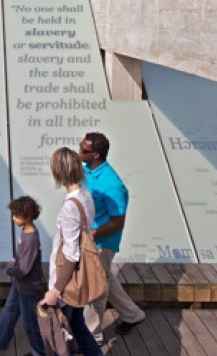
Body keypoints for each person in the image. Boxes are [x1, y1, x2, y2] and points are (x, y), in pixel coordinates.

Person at [79, 132, 145, 344]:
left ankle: (93, 337)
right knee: (105, 278)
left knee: (95, 289)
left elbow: (118, 222)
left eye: (83, 150)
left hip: (101, 242)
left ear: (96, 154)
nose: (79, 152)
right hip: (91, 238)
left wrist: (91, 236)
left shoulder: (112, 184)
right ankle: (133, 315)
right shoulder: (88, 169)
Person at [39, 147, 103, 356]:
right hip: (78, 277)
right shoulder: (85, 195)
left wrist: (55, 291)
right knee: (78, 326)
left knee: (60, 336)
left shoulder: (70, 206)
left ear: (58, 173)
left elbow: (71, 254)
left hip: (67, 282)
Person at [0, 196, 46, 356]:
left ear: (27, 217)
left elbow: (23, 268)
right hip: (21, 284)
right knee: (10, 309)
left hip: (29, 287)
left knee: (30, 323)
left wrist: (10, 269)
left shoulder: (31, 238)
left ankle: (39, 352)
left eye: (16, 215)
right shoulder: (26, 232)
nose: (12, 218)